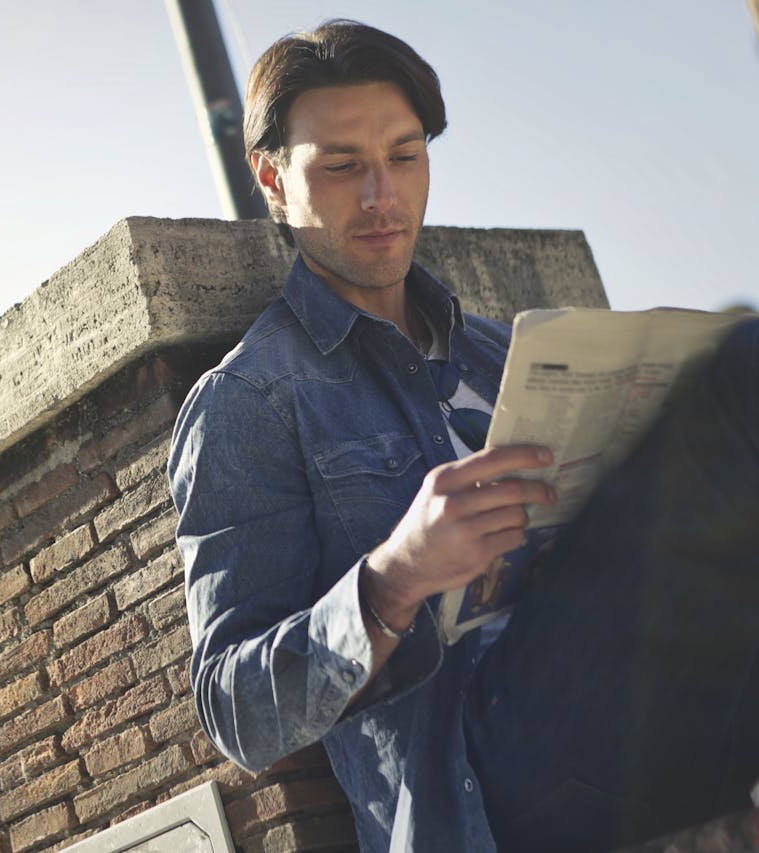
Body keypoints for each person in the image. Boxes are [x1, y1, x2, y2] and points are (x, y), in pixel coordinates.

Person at [167, 19, 759, 853]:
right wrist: (390, 580)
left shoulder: (506, 349)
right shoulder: (247, 400)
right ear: (271, 178)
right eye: (341, 166)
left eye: (404, 157)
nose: (381, 195)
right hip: (489, 780)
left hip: (647, 704)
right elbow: (235, 710)